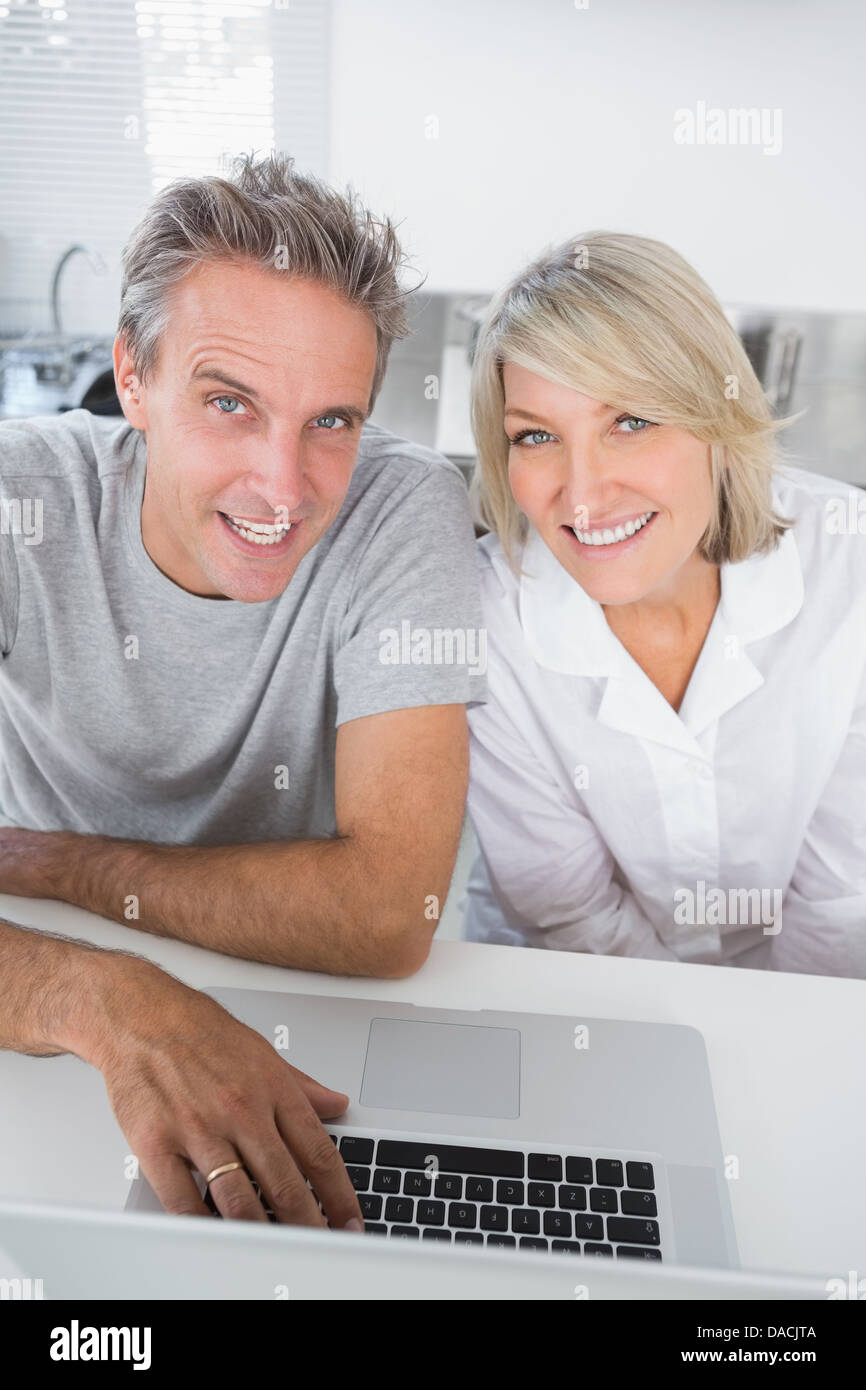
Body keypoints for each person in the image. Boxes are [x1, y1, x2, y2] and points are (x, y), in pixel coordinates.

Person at [0, 153, 485, 1226]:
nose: (285, 486)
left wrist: (53, 863)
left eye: (332, 421)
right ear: (133, 376)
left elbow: (388, 911)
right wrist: (107, 996)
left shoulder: (401, 513)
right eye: (230, 403)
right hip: (33, 1015)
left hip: (302, 1010)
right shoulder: (17, 502)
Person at [463, 230, 866, 978]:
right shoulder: (484, 618)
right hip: (570, 986)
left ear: (717, 414)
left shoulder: (851, 564)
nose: (582, 496)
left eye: (632, 422)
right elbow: (571, 914)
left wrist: (774, 1046)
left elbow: (842, 900)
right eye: (537, 436)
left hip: (806, 988)